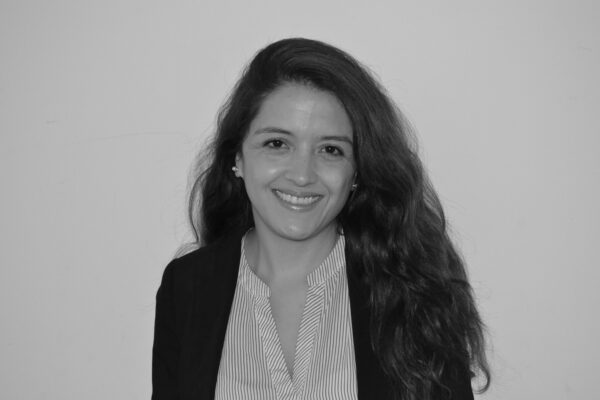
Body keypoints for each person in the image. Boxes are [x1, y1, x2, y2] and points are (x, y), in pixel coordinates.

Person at [152, 38, 490, 400]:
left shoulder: (414, 293)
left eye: (331, 150)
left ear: (357, 171)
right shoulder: (186, 287)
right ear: (237, 158)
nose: (302, 175)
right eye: (277, 144)